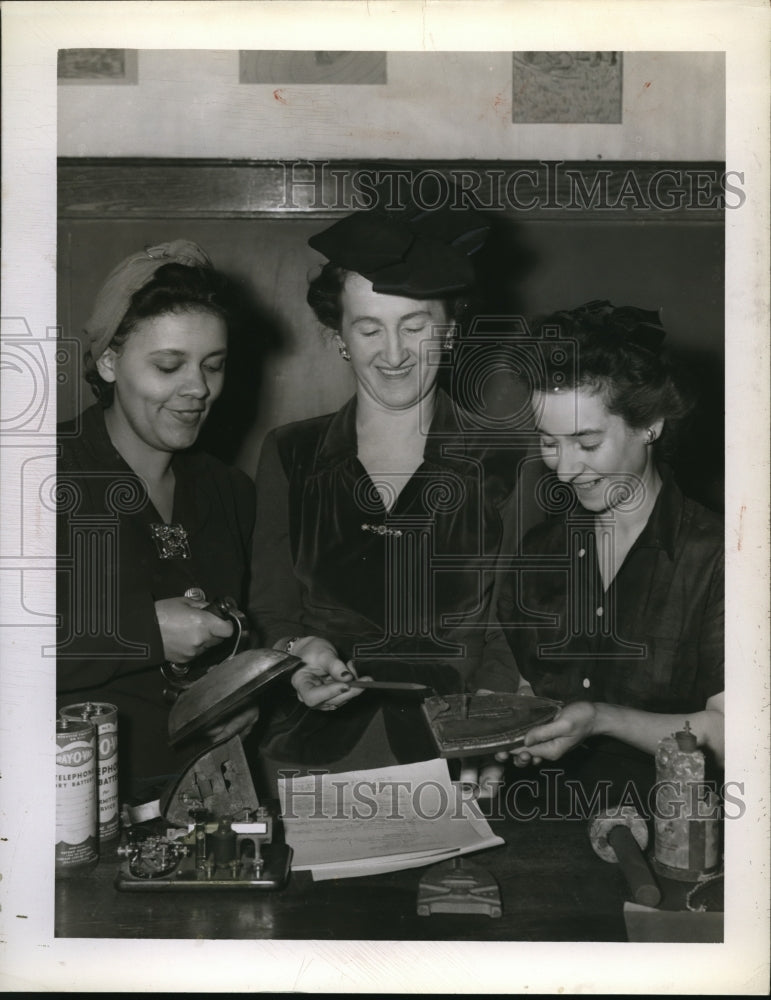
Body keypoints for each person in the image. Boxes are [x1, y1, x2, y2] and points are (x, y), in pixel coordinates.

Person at [248, 202, 523, 789]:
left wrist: (491, 728)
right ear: (339, 337)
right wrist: (297, 652)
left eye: (415, 326)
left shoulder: (509, 460)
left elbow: (512, 630)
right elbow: (271, 611)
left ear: (450, 330)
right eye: (369, 328)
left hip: (459, 755)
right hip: (309, 749)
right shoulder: (291, 453)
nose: (394, 354)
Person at [494, 300, 724, 801]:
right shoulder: (539, 552)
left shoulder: (720, 558)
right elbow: (527, 690)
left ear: (650, 424)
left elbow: (735, 734)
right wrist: (503, 741)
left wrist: (602, 719)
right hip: (546, 815)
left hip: (675, 824)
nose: (564, 470)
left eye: (587, 443)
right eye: (549, 443)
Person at [56, 240, 258, 792]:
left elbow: (246, 637)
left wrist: (242, 696)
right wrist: (142, 632)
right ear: (109, 361)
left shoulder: (229, 490)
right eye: (169, 365)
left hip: (206, 793)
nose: (198, 389)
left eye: (213, 366)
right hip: (75, 794)